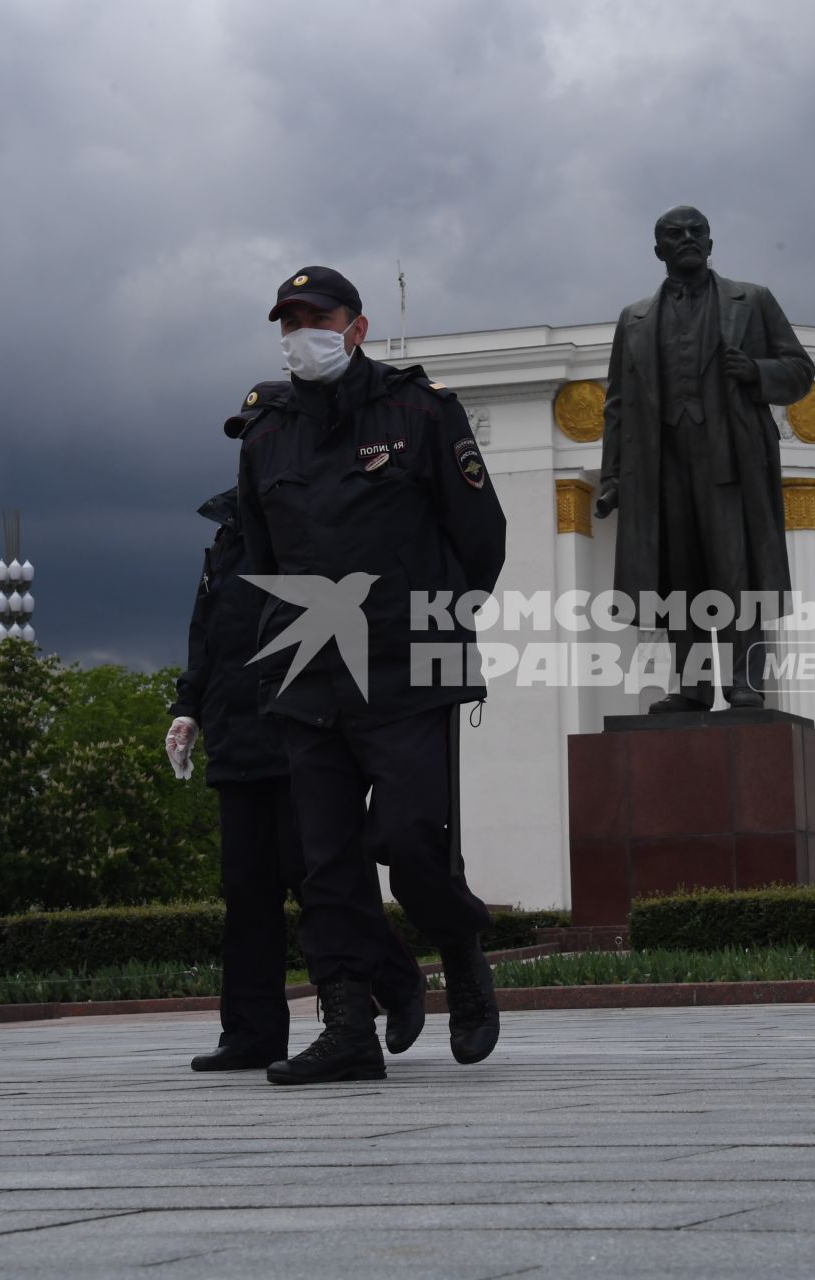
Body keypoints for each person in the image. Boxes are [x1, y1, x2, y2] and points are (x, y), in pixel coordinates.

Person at [232, 265, 508, 1086]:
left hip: (406, 670)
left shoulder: (419, 411)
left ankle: (459, 946)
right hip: (309, 674)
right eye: (288, 321)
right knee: (326, 864)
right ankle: (348, 1022)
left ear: (354, 328)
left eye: (315, 318)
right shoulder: (266, 434)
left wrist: (436, 634)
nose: (300, 334)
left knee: (415, 847)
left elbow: (480, 538)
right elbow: (262, 558)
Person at [166, 487, 428, 1072]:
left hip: (302, 737)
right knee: (247, 895)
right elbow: (204, 638)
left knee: (321, 883)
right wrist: (188, 710)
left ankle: (398, 983)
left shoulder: (302, 527)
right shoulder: (225, 541)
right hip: (236, 744)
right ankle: (252, 1032)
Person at [595, 205, 815, 710]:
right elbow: (618, 405)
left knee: (736, 573)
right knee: (680, 576)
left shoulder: (752, 301)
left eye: (698, 232)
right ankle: (694, 686)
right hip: (662, 466)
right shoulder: (635, 319)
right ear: (659, 251)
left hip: (731, 463)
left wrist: (757, 371)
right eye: (676, 234)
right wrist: (612, 479)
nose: (689, 238)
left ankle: (744, 679)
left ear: (711, 244)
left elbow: (800, 369)